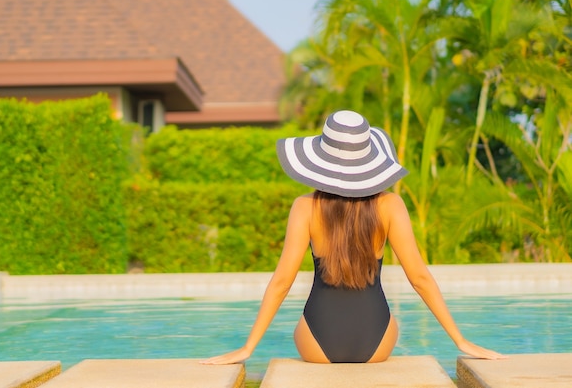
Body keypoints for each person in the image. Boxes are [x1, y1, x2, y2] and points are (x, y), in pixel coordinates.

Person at [200, 110, 505, 365]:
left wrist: (247, 348)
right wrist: (460, 340)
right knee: (393, 320)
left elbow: (282, 281)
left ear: (321, 158)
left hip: (317, 345)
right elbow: (419, 278)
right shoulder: (390, 206)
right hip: (377, 344)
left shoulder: (305, 207)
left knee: (298, 327)